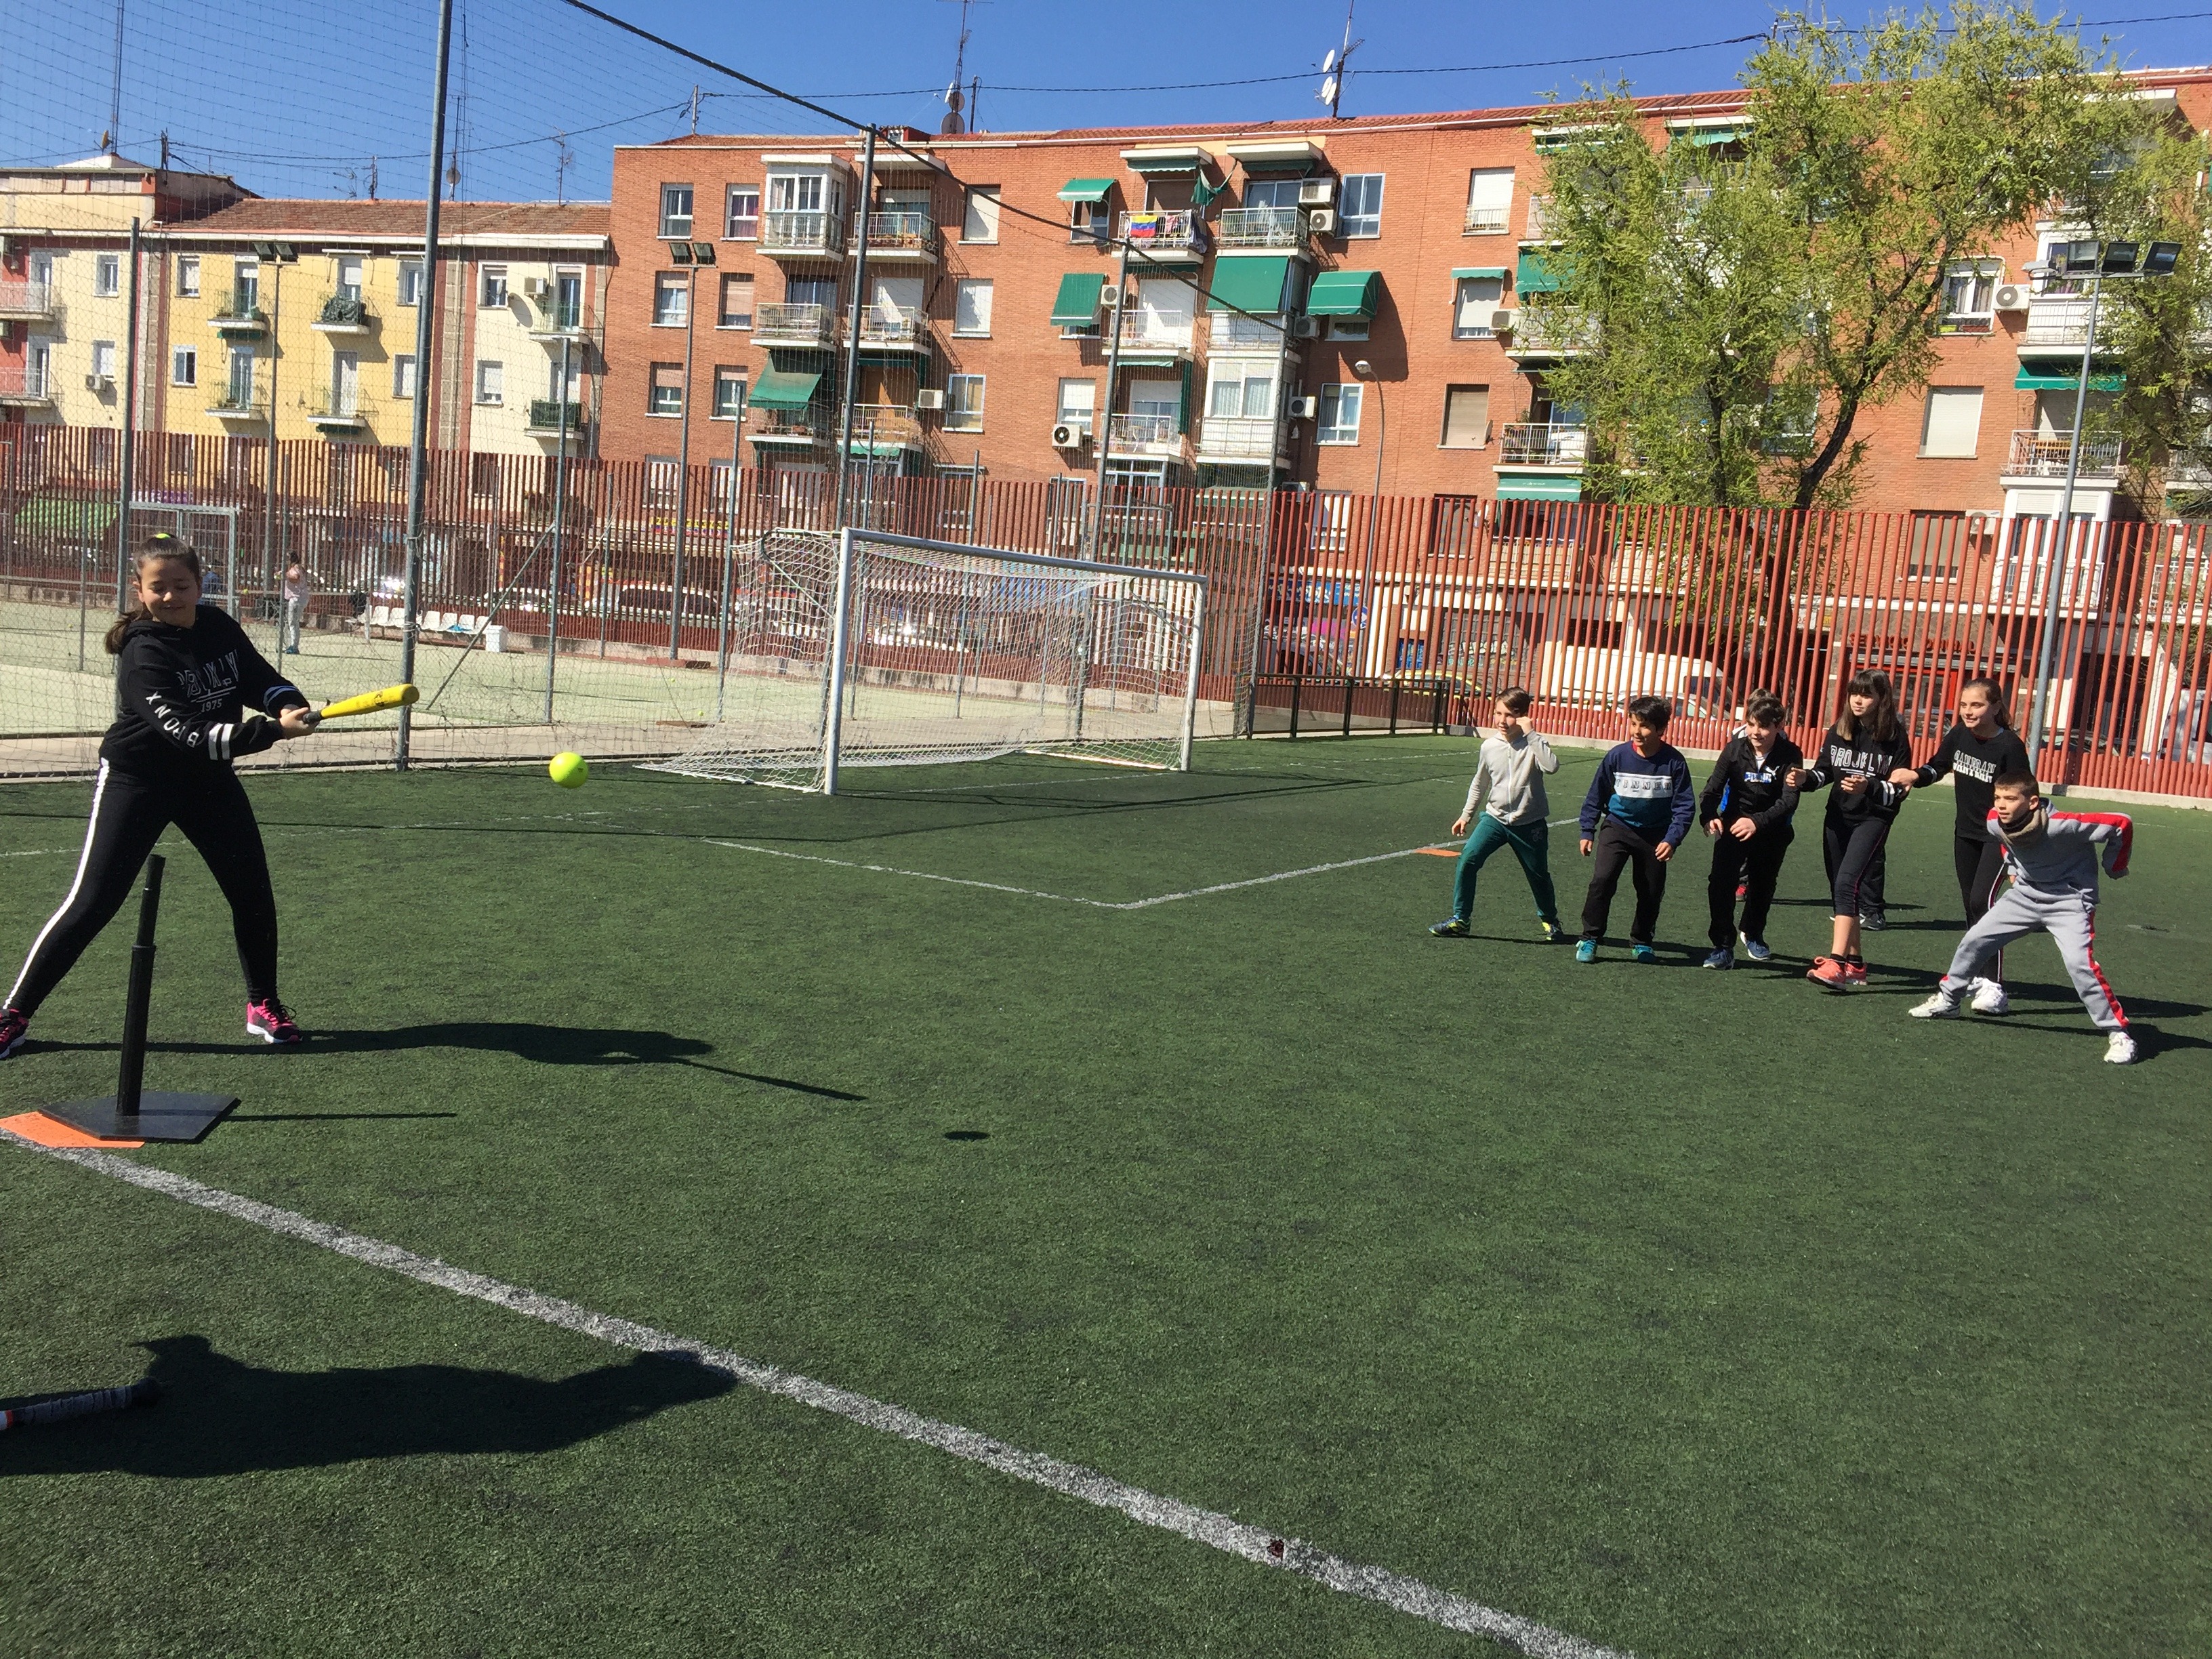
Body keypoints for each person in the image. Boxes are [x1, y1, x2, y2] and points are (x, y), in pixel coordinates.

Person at [1, 533, 321, 1062]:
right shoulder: (143, 652)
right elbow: (192, 734)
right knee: (93, 902)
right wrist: (272, 732)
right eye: (159, 587)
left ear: (199, 585)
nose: (171, 596)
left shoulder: (217, 626)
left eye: (181, 585)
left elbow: (258, 679)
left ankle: (263, 1004)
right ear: (139, 590)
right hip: (139, 780)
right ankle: (14, 1015)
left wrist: (287, 704)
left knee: (252, 893)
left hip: (207, 783)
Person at [1910, 771, 2136, 1064]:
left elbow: (2121, 823)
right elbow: (2005, 839)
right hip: (2025, 897)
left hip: (2069, 902)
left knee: (2080, 965)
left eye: (2010, 798)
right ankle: (1949, 1000)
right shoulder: (1995, 820)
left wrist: (2114, 866)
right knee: (1974, 940)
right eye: (1998, 797)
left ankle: (2119, 1033)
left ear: (2032, 802)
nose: (2001, 805)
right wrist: (2013, 867)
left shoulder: (2063, 825)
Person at [1889, 676, 2032, 1014]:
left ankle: (1995, 987)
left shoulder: (2010, 746)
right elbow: (1938, 766)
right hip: (1965, 833)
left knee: (1983, 902)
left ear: (1995, 707)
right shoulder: (1958, 734)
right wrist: (1915, 775)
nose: (1968, 711)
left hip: (1998, 836)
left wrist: (2020, 850)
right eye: (1964, 705)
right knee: (1971, 906)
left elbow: (2025, 795)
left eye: (1977, 705)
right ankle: (1976, 976)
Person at [1787, 669, 1914, 991]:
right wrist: (1804, 779)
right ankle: (1856, 964)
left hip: (1873, 819)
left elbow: (1899, 791)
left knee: (1847, 883)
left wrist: (1868, 786)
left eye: (1867, 694)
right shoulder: (1840, 730)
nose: (1858, 700)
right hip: (1837, 818)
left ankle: (1836, 964)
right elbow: (1824, 773)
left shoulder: (1895, 737)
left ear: (1882, 699)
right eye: (1854, 693)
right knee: (1842, 891)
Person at [1429, 687, 1563, 943]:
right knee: (1468, 859)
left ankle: (1550, 920)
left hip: (1529, 823)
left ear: (1523, 716)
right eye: (1498, 713)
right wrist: (1466, 815)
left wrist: (1532, 734)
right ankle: (1461, 919)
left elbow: (1552, 767)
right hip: (1495, 819)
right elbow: (1480, 782)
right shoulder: (1489, 746)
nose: (1502, 720)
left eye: (1510, 715)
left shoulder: (1534, 744)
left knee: (1538, 874)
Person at [1575, 695, 1695, 964]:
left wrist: (1672, 839)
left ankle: (1642, 941)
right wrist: (1587, 830)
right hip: (1617, 828)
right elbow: (1596, 794)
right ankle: (1590, 937)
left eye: (1644, 726)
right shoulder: (1617, 756)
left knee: (1651, 890)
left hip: (1655, 835)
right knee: (1602, 880)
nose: (1637, 732)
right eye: (1633, 724)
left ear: (1661, 729)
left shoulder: (1674, 762)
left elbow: (1685, 806)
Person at [1698, 690, 1803, 969]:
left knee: (1763, 886)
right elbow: (1712, 789)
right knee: (1720, 884)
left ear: (1779, 726)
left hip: (1771, 830)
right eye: (1751, 724)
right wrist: (1709, 816)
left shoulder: (1790, 754)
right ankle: (1722, 946)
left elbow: (1789, 801)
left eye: (1764, 726)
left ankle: (1753, 932)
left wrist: (1757, 822)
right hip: (1733, 826)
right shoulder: (1734, 750)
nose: (1756, 732)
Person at [281, 556, 310, 655]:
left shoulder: (295, 568)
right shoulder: (299, 568)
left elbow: (296, 578)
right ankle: (293, 645)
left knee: (293, 623)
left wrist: (285, 576)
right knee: (294, 623)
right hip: (301, 598)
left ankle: (294, 647)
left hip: (296, 598)